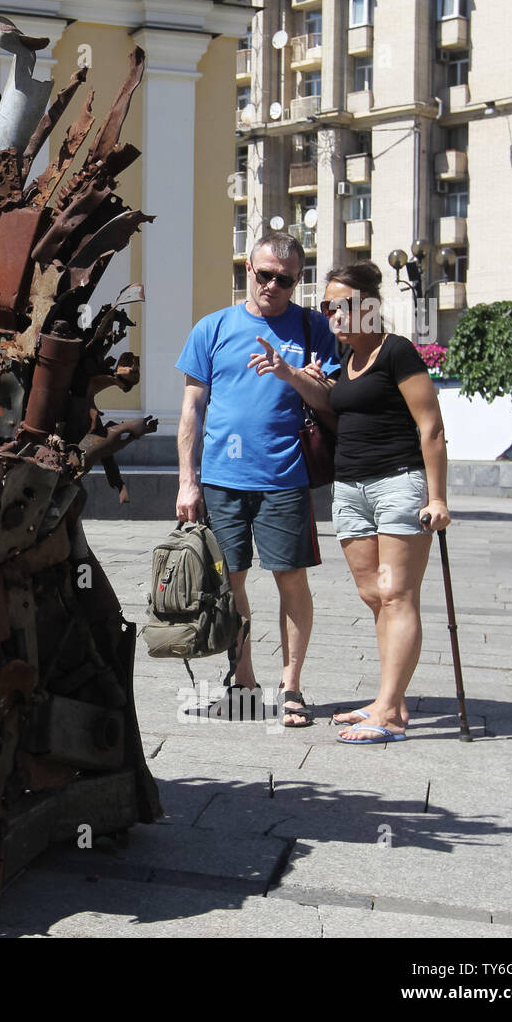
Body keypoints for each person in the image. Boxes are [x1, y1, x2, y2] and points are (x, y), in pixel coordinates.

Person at [249, 260, 450, 743]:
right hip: (350, 488)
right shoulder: (347, 359)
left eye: (343, 305)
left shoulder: (396, 351)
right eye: (326, 307)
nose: (333, 315)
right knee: (373, 595)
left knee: (398, 593)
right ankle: (390, 700)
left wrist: (438, 496)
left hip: (399, 483)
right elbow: (331, 405)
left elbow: (432, 427)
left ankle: (389, 712)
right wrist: (293, 373)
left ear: (370, 306)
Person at [175, 232, 339, 726]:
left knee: (291, 578)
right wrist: (188, 480)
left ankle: (291, 687)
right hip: (223, 480)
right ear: (248, 269)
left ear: (297, 281)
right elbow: (192, 408)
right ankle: (243, 680)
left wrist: (289, 372)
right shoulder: (212, 327)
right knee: (231, 582)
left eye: (285, 279)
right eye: (264, 274)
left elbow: (329, 401)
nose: (272, 285)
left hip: (285, 477)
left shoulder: (312, 328)